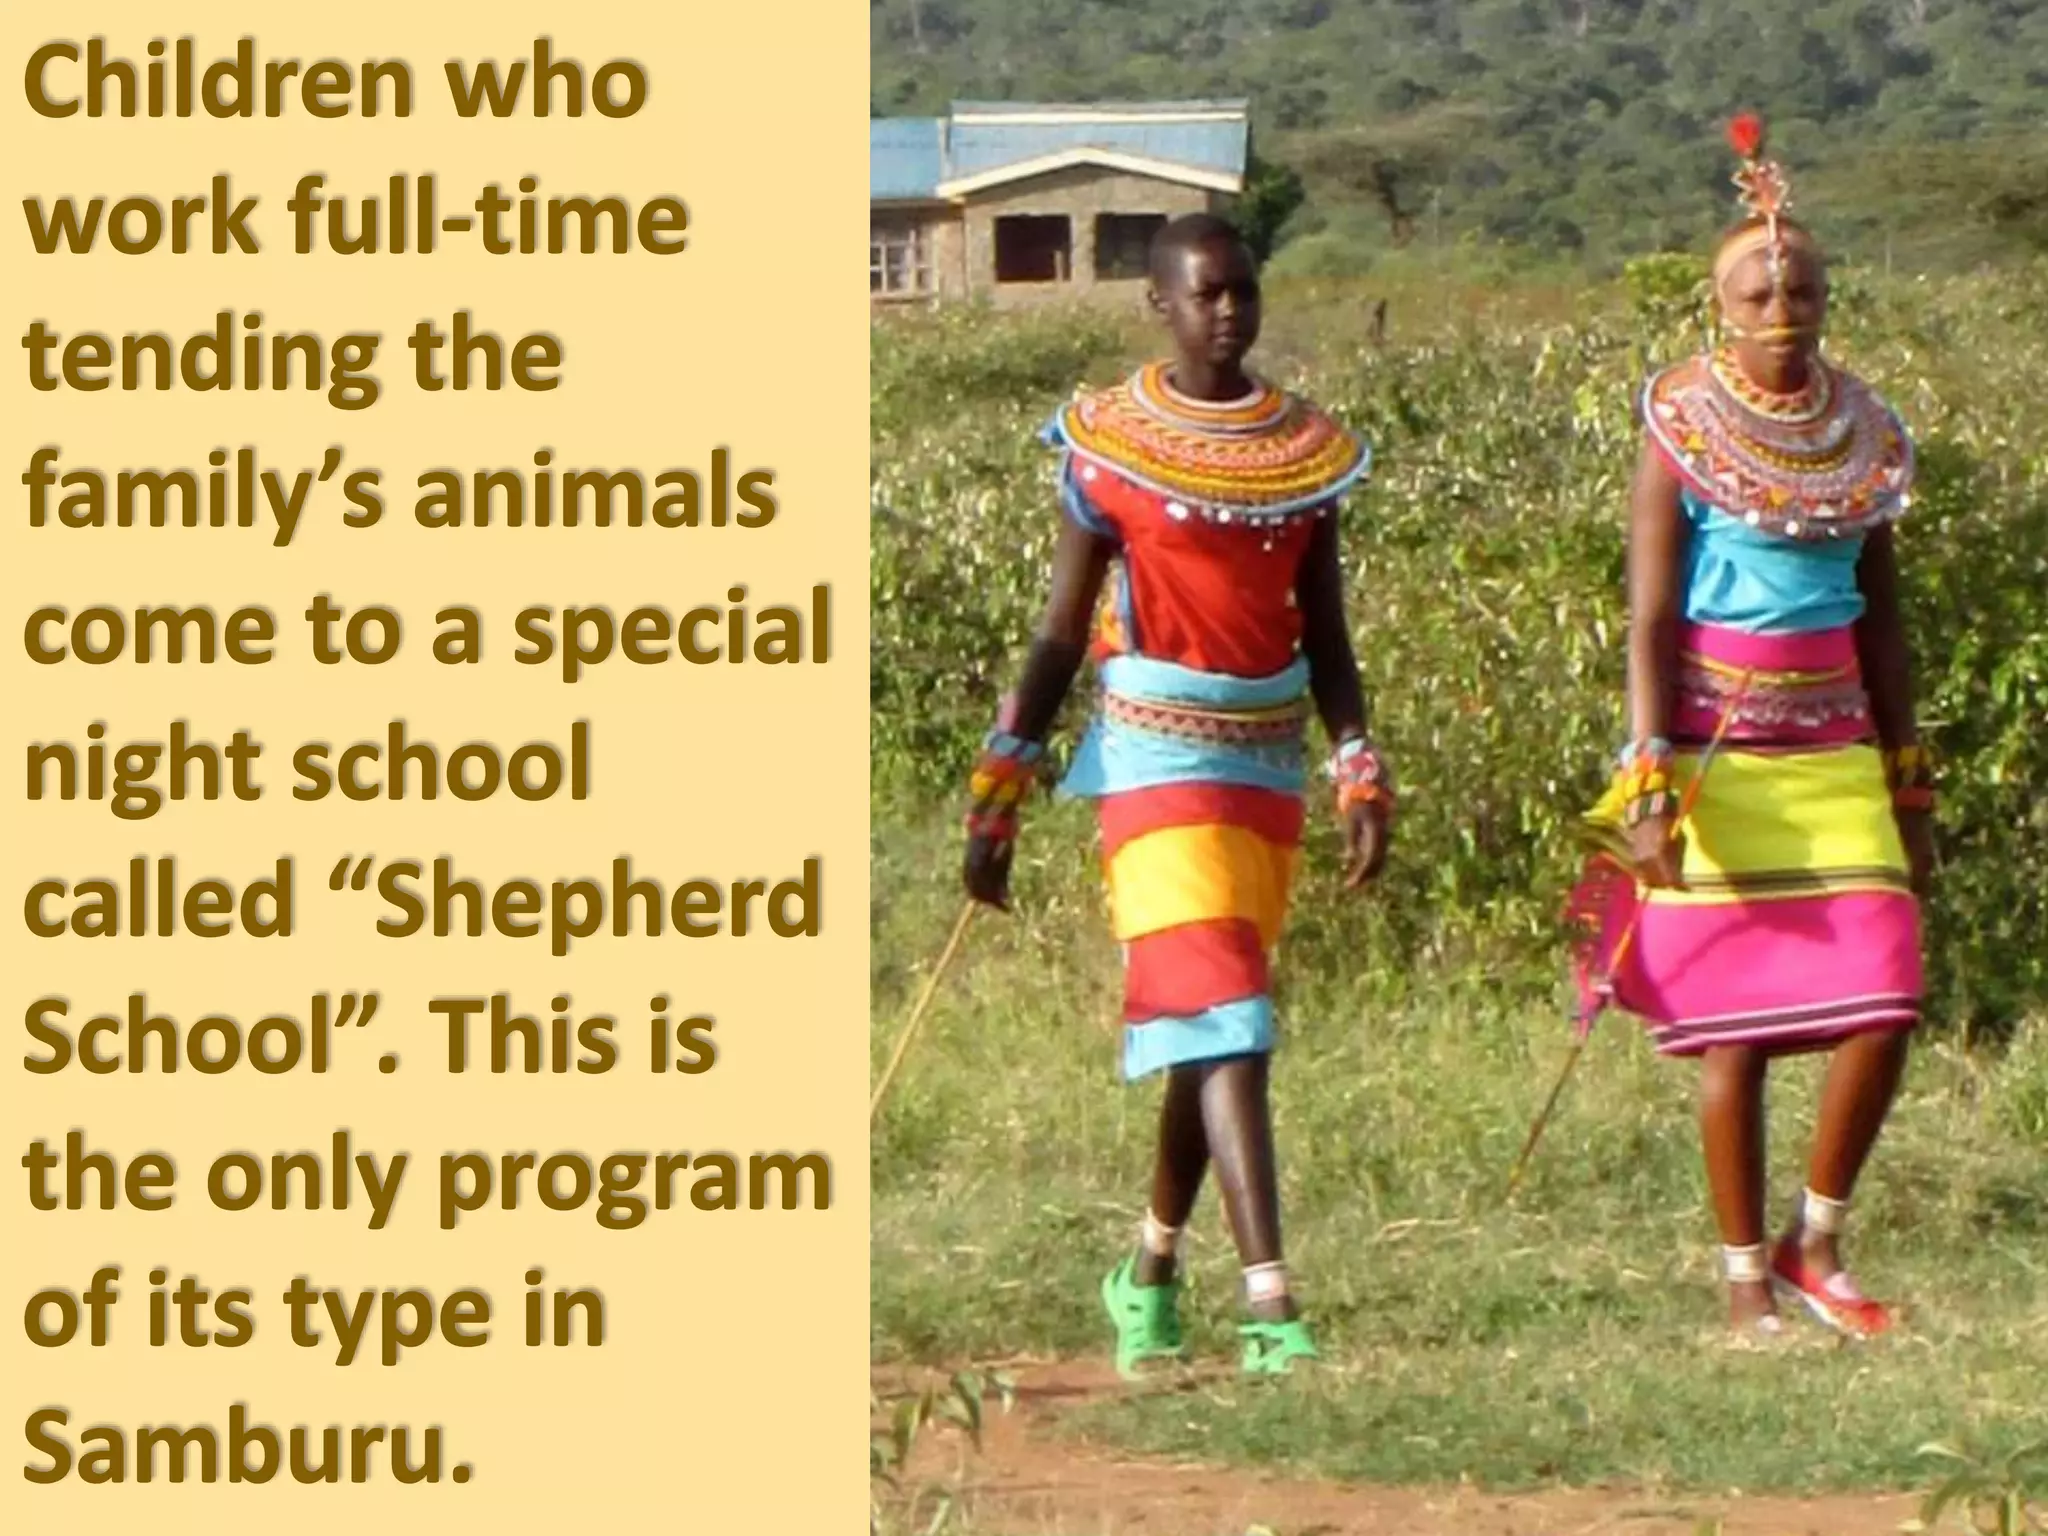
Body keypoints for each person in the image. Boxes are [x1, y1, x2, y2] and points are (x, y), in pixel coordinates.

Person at [961, 213, 1393, 1378]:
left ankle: (1147, 1270)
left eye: (1242, 291)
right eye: (1203, 294)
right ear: (1158, 303)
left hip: (1264, 759)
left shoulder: (1305, 453)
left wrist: (1356, 758)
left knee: (1212, 1027)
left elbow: (1329, 630)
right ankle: (1271, 1303)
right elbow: (1061, 630)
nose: (1227, 312)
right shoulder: (1106, 446)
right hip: (1150, 758)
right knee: (1230, 1025)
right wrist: (1002, 781)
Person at [1570, 115, 1933, 1343]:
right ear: (1716, 307)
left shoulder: (1866, 431)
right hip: (1712, 748)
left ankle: (1812, 1242)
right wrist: (1647, 780)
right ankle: (1739, 1278)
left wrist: (1909, 779)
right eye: (1757, 285)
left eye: (1803, 284)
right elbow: (1647, 616)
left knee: (1883, 995)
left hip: (1832, 750)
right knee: (1735, 1031)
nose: (1783, 300)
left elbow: (1882, 621)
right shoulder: (1676, 422)